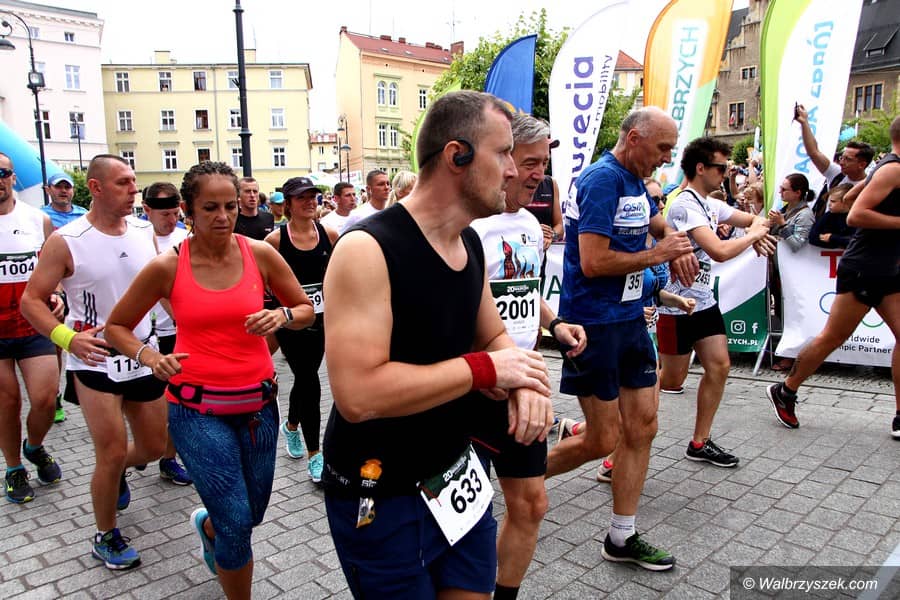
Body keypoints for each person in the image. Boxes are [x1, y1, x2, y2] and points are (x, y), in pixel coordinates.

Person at [322, 90, 553, 598]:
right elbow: (358, 395)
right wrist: (488, 370)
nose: (513, 170)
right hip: (380, 491)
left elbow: (493, 336)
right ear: (456, 155)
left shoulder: (468, 240)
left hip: (454, 478)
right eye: (503, 153)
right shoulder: (367, 249)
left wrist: (527, 381)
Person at [104, 161, 315, 598]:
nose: (223, 216)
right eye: (210, 208)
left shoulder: (260, 254)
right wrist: (149, 356)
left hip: (258, 406)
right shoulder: (168, 266)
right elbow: (116, 326)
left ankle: (210, 528)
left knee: (250, 514)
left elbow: (305, 309)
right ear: (188, 210)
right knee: (237, 522)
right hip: (196, 409)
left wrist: (281, 315)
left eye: (230, 206)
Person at [546, 106, 699, 571]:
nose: (667, 159)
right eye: (662, 148)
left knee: (643, 427)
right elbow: (593, 262)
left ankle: (621, 536)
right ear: (634, 138)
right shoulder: (601, 180)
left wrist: (676, 242)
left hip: (631, 319)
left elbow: (655, 223)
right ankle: (519, 476)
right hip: (592, 324)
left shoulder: (635, 179)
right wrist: (658, 254)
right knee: (601, 439)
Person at [20, 154, 167, 570]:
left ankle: (117, 472)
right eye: (123, 183)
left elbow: (162, 289)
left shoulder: (144, 231)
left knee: (155, 446)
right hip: (95, 360)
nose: (134, 190)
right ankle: (106, 535)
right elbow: (31, 300)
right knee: (111, 451)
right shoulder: (68, 239)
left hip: (142, 353)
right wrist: (67, 339)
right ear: (97, 188)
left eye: (134, 181)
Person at [469, 113, 586, 600]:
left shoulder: (530, 226)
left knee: (531, 504)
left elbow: (523, 289)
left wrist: (554, 323)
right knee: (467, 514)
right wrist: (484, 368)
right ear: (504, 159)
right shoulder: (471, 225)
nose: (540, 174)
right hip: (476, 386)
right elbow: (458, 304)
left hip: (526, 383)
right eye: (531, 162)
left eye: (544, 163)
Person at [767, 115, 900, 438]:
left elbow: (850, 199)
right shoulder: (892, 169)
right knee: (832, 337)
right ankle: (786, 389)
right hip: (865, 267)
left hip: (888, 268)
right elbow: (856, 214)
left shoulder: (884, 169)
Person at [655, 137, 775, 468]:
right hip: (676, 305)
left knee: (719, 365)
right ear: (701, 168)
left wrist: (757, 231)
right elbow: (719, 251)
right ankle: (619, 433)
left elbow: (755, 220)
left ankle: (700, 441)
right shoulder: (684, 205)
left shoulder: (710, 203)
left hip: (704, 302)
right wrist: (753, 237)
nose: (726, 174)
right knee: (670, 380)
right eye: (721, 168)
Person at [264, 176, 338, 483]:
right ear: (288, 204)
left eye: (313, 196)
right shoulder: (275, 241)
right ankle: (315, 455)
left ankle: (291, 425)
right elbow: (264, 284)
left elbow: (337, 277)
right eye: (301, 197)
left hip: (320, 321)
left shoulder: (329, 235)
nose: (309, 202)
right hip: (290, 322)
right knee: (308, 379)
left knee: (305, 378)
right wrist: (274, 315)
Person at [0, 152, 64, 504]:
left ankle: (34, 446)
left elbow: (54, 269)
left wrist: (57, 293)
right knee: (7, 401)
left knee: (44, 398)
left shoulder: (38, 219)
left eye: (2, 173)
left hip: (32, 323)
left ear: (13, 177)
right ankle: (14, 468)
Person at [140, 182, 192, 486]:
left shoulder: (186, 238)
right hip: (144, 336)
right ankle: (131, 454)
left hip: (177, 333)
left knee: (176, 400)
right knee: (146, 407)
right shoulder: (136, 238)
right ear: (147, 210)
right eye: (165, 215)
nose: (172, 220)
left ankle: (168, 459)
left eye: (176, 213)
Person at [42, 171, 87, 423]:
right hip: (56, 285)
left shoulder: (82, 214)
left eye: (67, 187)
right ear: (49, 190)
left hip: (80, 284)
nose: (63, 191)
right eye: (58, 187)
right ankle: (56, 393)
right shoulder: (42, 217)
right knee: (56, 344)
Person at [768, 174, 816, 371]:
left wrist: (782, 225)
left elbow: (797, 245)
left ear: (797, 193)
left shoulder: (804, 215)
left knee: (792, 314)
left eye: (784, 189)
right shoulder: (784, 210)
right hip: (778, 270)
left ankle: (791, 355)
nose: (780, 192)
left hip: (793, 275)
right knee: (781, 311)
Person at [795, 104, 873, 217]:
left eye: (848, 159)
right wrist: (804, 123)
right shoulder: (837, 174)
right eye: (842, 157)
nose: (841, 162)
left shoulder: (870, 186)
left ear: (862, 164)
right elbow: (814, 152)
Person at [808, 183, 856, 248]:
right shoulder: (829, 215)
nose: (829, 204)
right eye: (829, 201)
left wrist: (832, 238)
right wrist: (836, 242)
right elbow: (812, 236)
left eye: (833, 201)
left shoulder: (856, 218)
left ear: (845, 202)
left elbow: (856, 241)